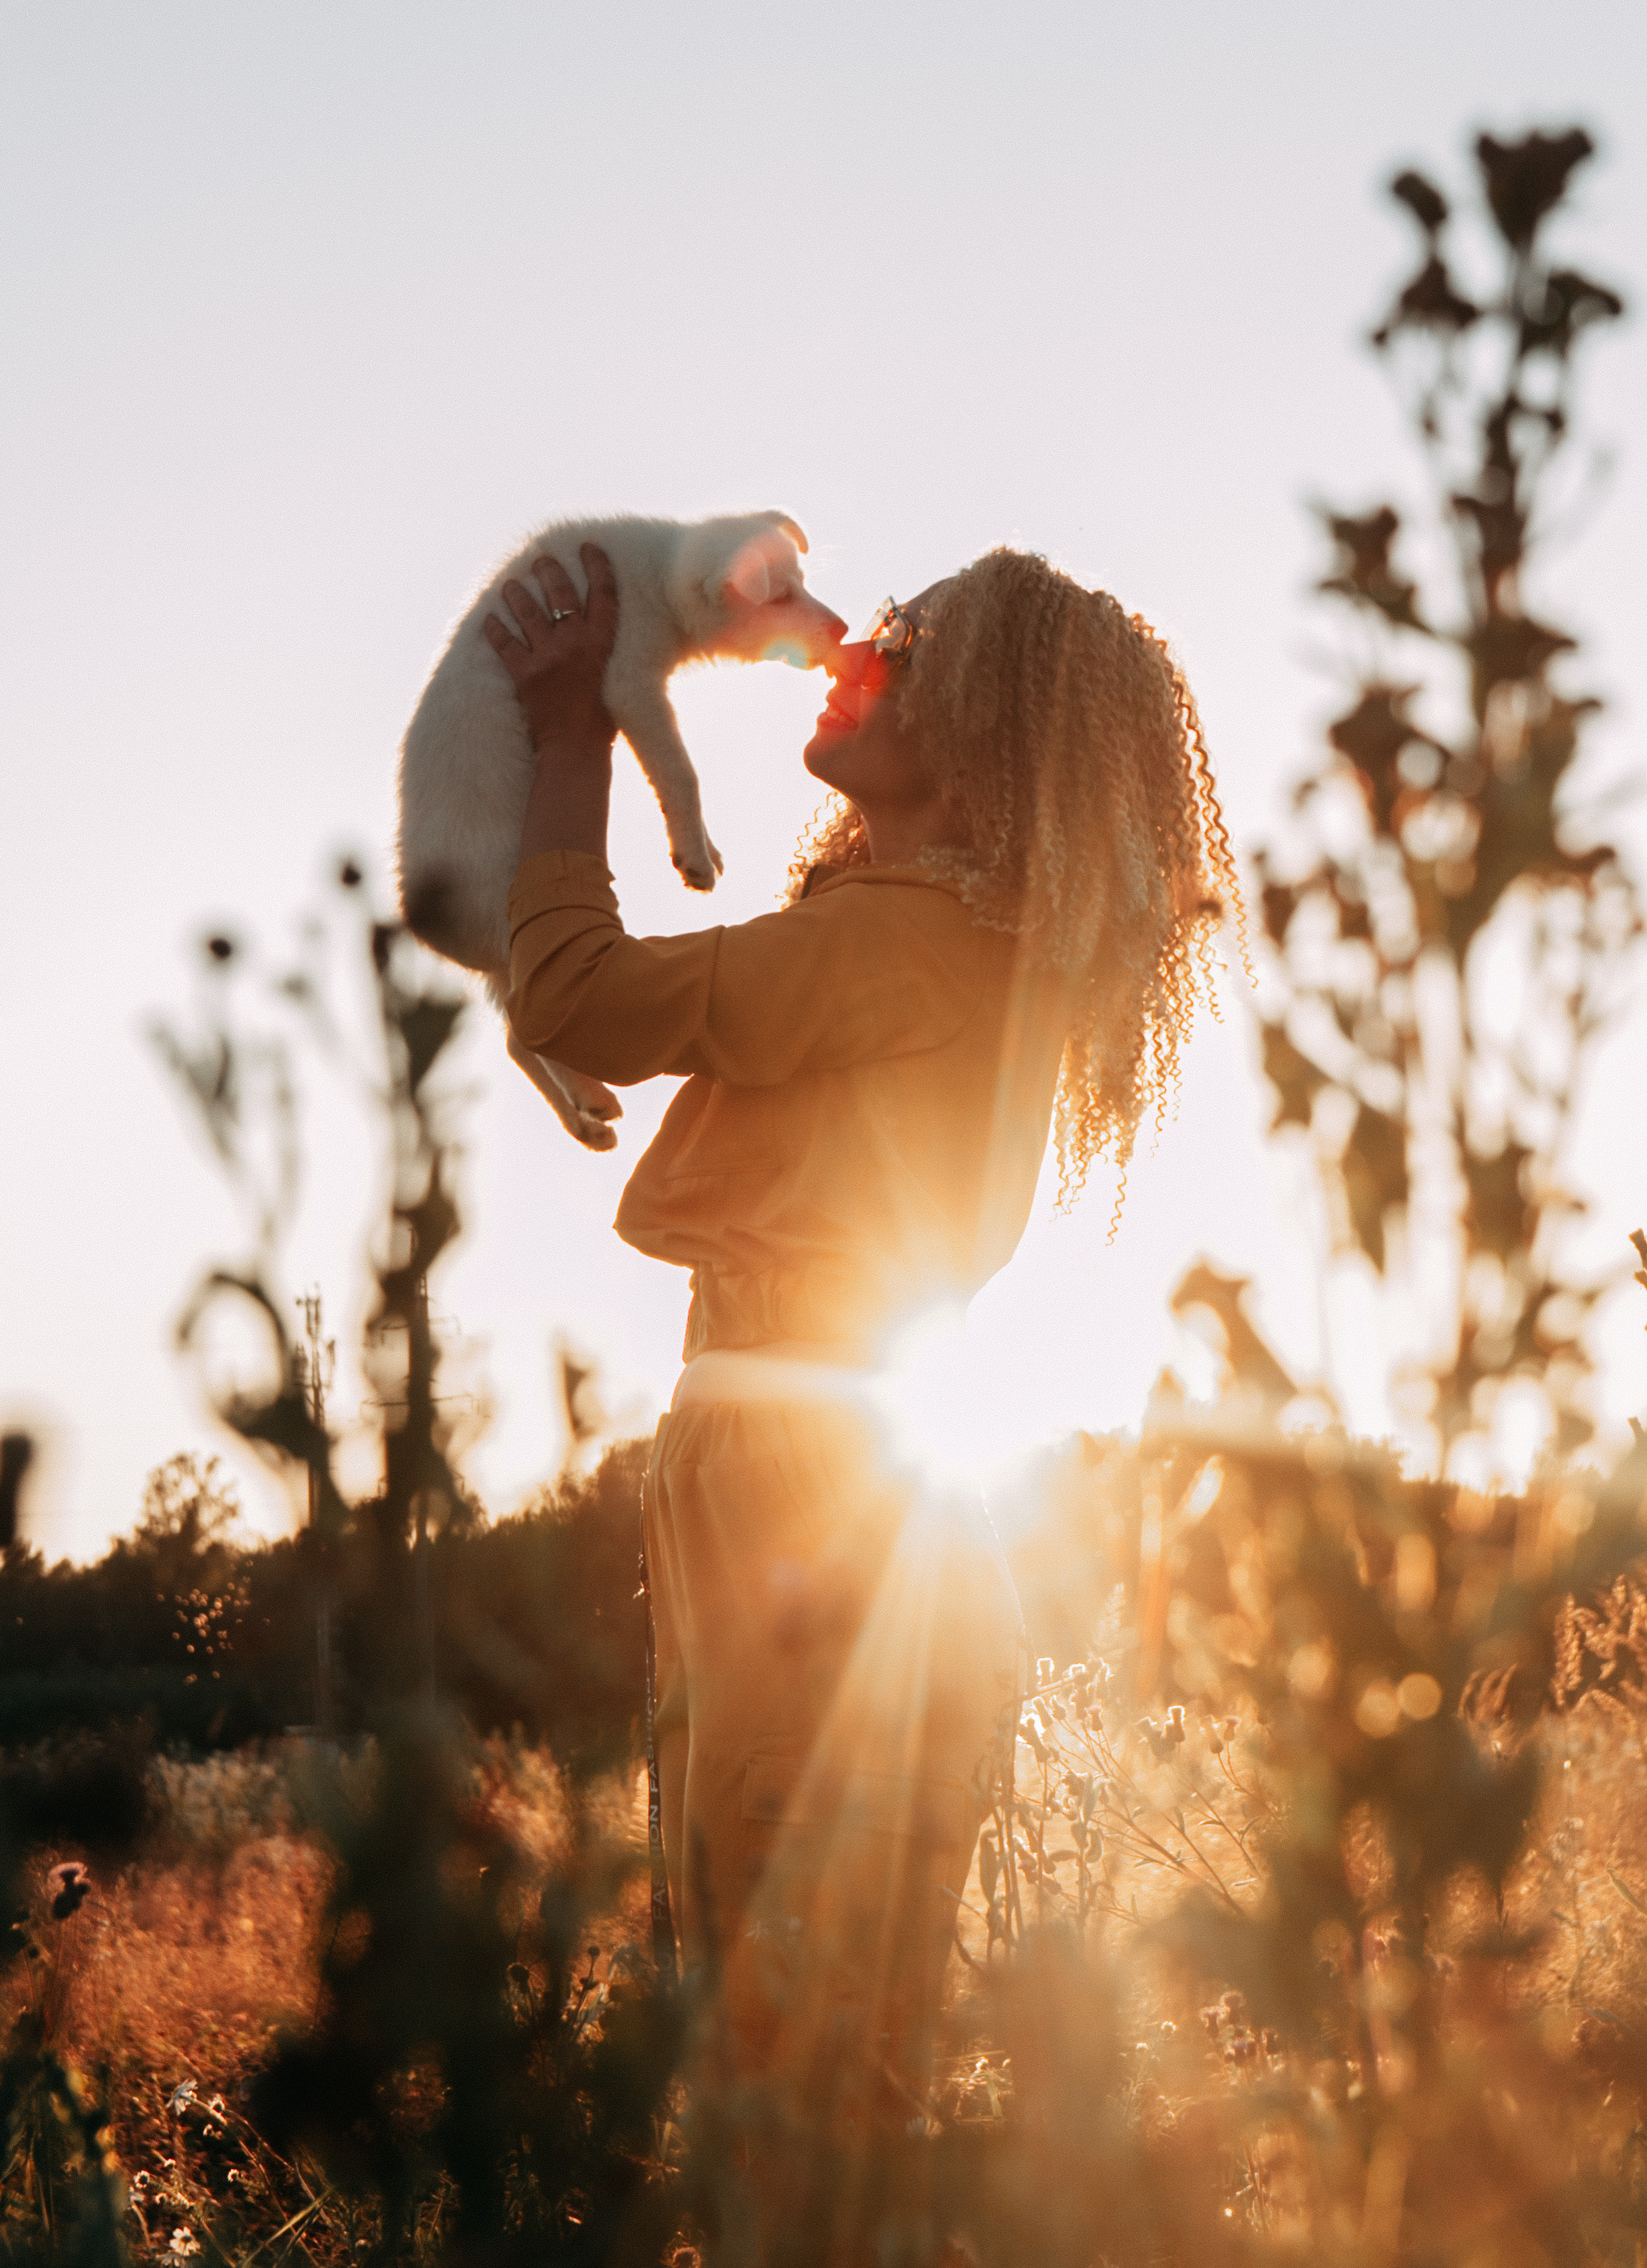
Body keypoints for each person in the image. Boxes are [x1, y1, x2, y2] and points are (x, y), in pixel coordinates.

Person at [487, 539, 1237, 2135]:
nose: (853, 653)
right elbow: (584, 1006)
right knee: (792, 2085)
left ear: (981, 727)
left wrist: (570, 733)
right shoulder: (931, 947)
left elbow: (574, 991)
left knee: (793, 2098)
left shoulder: (905, 949)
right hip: (808, 1491)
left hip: (812, 1505)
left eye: (904, 645)